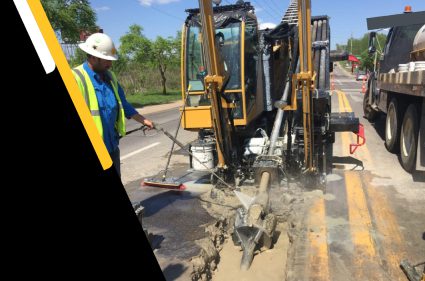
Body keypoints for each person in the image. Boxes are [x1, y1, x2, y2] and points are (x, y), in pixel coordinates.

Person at [72, 33, 154, 177]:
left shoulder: (110, 77)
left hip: (112, 147)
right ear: (92, 57)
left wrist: (143, 120)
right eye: (106, 60)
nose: (110, 64)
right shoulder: (75, 78)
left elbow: (123, 103)